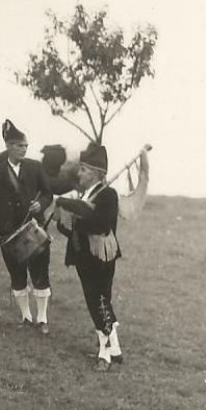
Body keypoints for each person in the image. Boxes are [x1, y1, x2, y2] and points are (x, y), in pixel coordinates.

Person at [56, 142, 124, 370]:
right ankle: (115, 349)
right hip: (84, 256)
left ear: (96, 173)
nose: (79, 173)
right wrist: (62, 221)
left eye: (84, 169)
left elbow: (102, 225)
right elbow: (74, 229)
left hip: (101, 257)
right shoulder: (87, 195)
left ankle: (104, 354)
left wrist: (75, 212)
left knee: (98, 302)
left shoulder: (108, 195)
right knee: (100, 301)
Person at [0, 118, 55, 332]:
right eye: (19, 145)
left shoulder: (35, 167)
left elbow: (49, 193)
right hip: (7, 233)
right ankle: (26, 317)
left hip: (34, 229)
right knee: (17, 275)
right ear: (8, 146)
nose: (24, 149)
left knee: (40, 273)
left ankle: (42, 319)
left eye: (25, 146)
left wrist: (39, 205)